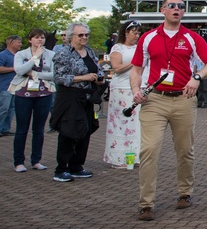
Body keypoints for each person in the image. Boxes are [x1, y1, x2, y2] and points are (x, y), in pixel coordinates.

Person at [129, 0, 207, 221]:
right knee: (149, 149)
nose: (177, 9)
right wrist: (135, 90)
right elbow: (137, 69)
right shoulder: (148, 38)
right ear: (163, 10)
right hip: (154, 99)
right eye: (172, 6)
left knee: (185, 149)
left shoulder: (191, 38)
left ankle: (185, 192)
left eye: (181, 7)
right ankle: (146, 203)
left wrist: (197, 77)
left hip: (183, 99)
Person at [50, 23, 105, 182]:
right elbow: (59, 77)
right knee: (69, 131)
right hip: (70, 97)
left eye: (86, 34)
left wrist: (99, 79)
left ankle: (76, 166)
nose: (84, 38)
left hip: (86, 96)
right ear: (70, 37)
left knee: (85, 130)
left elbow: (97, 69)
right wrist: (84, 77)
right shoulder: (63, 54)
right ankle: (61, 169)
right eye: (80, 35)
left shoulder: (89, 51)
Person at [10, 28, 55, 172]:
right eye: (36, 38)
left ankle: (36, 160)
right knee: (22, 129)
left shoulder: (51, 54)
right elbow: (20, 70)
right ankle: (19, 162)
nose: (40, 40)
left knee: (39, 129)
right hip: (24, 94)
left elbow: (53, 74)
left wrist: (35, 73)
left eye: (42, 37)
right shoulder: (21, 54)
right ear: (30, 40)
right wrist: (34, 58)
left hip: (44, 94)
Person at [104, 21, 143, 168]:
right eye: (134, 32)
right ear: (126, 33)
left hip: (137, 87)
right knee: (121, 122)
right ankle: (118, 157)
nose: (136, 36)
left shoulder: (140, 47)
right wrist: (134, 62)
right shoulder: (118, 47)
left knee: (136, 123)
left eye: (138, 33)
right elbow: (117, 68)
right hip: (121, 88)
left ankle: (135, 156)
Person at [0, 34, 22, 136]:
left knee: (11, 109)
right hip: (5, 87)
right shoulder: (3, 55)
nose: (20, 44)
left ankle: (5, 129)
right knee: (3, 108)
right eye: (19, 42)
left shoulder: (18, 56)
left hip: (16, 87)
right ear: (11, 43)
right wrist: (15, 68)